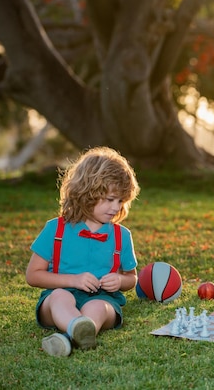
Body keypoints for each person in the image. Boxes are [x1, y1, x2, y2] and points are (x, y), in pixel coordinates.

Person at [26, 146, 140, 356]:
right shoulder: (56, 229)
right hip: (56, 300)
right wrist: (73, 280)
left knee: (99, 307)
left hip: (103, 298)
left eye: (121, 201)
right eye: (109, 199)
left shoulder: (121, 235)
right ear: (87, 193)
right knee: (60, 298)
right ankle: (75, 328)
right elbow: (33, 275)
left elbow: (131, 278)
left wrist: (119, 281)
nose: (116, 207)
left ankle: (79, 333)